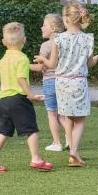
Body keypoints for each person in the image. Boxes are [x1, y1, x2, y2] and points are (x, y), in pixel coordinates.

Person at [36, 1, 98, 167]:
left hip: (62, 82)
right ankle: (73, 150)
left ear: (66, 19)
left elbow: (51, 65)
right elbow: (88, 64)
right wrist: (97, 59)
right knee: (80, 119)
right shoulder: (88, 39)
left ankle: (73, 153)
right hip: (79, 82)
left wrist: (42, 59)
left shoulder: (58, 39)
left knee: (68, 117)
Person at [0, 22, 53, 173]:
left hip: (4, 101)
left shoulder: (3, 60)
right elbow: (21, 77)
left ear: (3, 42)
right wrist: (31, 95)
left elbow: (15, 70)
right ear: (24, 40)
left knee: (3, 132)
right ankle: (36, 159)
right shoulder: (22, 58)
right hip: (18, 100)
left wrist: (36, 67)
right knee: (31, 130)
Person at [30, 14, 67, 152]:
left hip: (50, 82)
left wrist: (22, 65)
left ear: (52, 28)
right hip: (64, 82)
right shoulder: (65, 42)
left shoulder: (46, 45)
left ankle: (57, 143)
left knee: (52, 113)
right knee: (62, 114)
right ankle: (70, 138)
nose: (41, 27)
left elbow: (41, 67)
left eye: (44, 25)